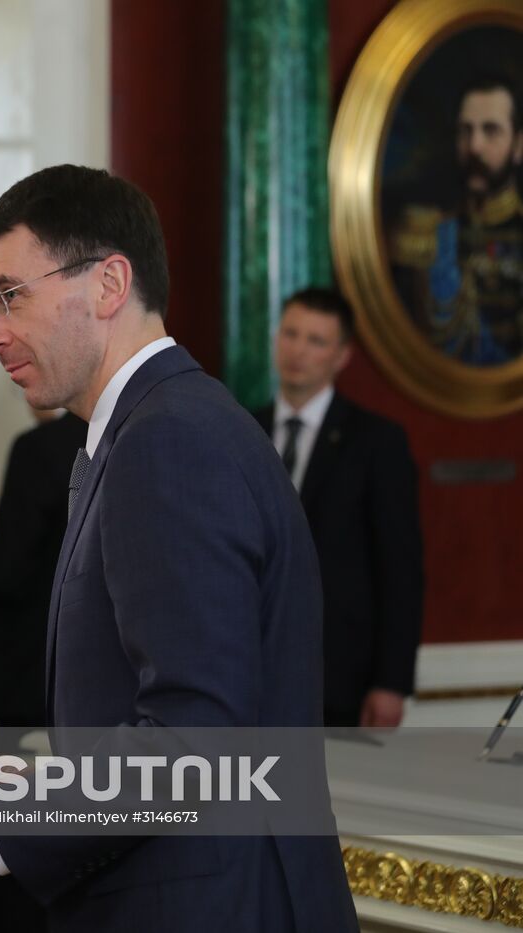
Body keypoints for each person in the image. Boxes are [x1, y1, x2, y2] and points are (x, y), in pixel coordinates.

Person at [0, 165, 357, 932]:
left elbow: (194, 736)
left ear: (110, 283)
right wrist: (28, 783)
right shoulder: (134, 433)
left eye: (9, 297)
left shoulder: (168, 439)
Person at [254, 287, 423, 728]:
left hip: (339, 676)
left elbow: (400, 569)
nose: (298, 351)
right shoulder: (241, 428)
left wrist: (391, 681)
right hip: (246, 671)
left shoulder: (377, 442)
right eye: (290, 334)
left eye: (316, 340)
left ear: (341, 355)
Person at [0, 405, 85, 932]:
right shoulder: (137, 434)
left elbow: (7, 569)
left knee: (17, 841)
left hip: (34, 681)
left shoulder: (38, 449)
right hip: (105, 699)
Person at [391, 73, 523, 363]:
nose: (474, 146)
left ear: (518, 145)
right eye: (465, 130)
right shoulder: (422, 233)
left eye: (491, 130)